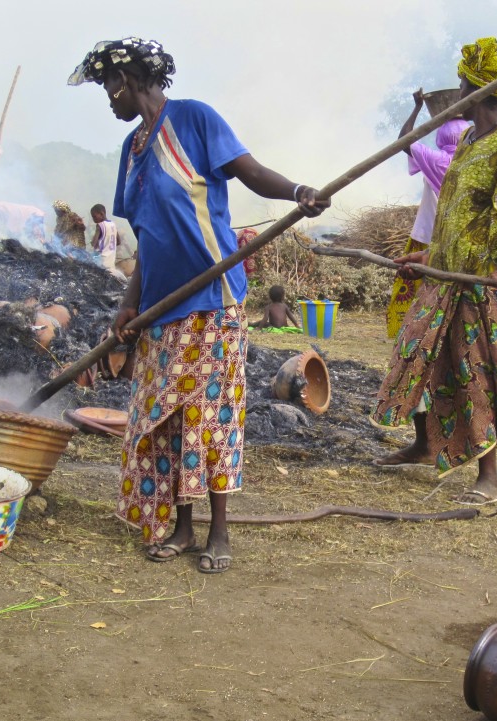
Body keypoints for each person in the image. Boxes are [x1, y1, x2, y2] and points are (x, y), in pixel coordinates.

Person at [68, 37, 329, 572]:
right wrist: (126, 307)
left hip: (211, 301)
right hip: (161, 310)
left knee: (209, 419)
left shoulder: (193, 120)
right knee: (164, 420)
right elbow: (146, 238)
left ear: (129, 79)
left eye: (108, 88)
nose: (108, 100)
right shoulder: (132, 149)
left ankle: (219, 533)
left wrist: (299, 191)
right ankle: (182, 528)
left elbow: (250, 172)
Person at [371, 36, 497, 507]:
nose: (456, 92)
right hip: (444, 276)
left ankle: (490, 476)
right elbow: (455, 211)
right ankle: (425, 445)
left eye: (463, 85)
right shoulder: (466, 140)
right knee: (420, 354)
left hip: (482, 283)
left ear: (478, 92)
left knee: (478, 371)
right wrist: (430, 258)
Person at [386, 89, 468, 340]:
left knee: (413, 288)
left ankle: (412, 333)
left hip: (428, 236)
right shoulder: (473, 162)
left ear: (442, 137)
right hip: (463, 240)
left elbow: (404, 140)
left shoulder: (438, 160)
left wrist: (417, 107)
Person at [90, 203, 125, 280]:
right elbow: (118, 242)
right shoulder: (113, 224)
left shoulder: (99, 225)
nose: (93, 219)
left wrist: (93, 242)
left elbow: (94, 243)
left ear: (102, 214)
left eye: (94, 216)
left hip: (101, 259)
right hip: (111, 259)